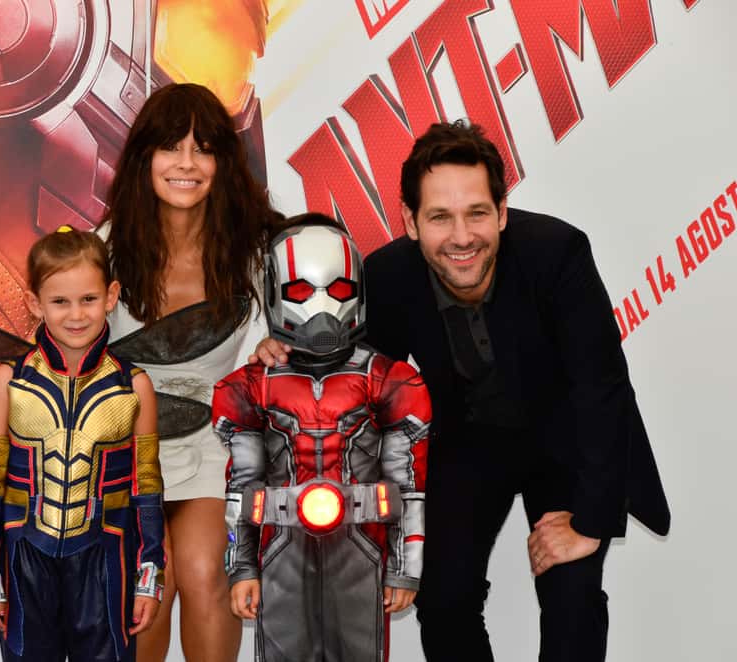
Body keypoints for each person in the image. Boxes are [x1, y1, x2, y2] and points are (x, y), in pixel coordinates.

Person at [254, 122, 670, 661]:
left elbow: (602, 390)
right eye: (439, 217)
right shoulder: (387, 275)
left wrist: (590, 525)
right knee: (445, 600)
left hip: (566, 438)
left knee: (571, 595)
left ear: (502, 211)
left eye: (477, 212)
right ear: (409, 221)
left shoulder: (558, 253)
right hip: (467, 443)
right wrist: (285, 351)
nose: (461, 236)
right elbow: (348, 374)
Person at [98, 82, 283, 662]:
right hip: (127, 438)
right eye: (169, 148)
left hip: (213, 435)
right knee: (150, 580)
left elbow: (310, 336)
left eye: (202, 149)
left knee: (206, 571)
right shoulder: (102, 250)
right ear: (143, 159)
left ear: (223, 163)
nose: (185, 164)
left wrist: (276, 353)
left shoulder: (257, 249)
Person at [214, 218, 431, 661]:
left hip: (362, 547)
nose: (319, 306)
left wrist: (404, 571)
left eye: (336, 290)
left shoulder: (391, 380)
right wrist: (241, 568)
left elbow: (407, 483)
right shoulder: (250, 385)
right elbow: (241, 486)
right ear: (276, 290)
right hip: (280, 548)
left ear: (357, 289)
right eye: (299, 291)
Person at [0, 228, 164, 661]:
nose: (76, 314)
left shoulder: (134, 386)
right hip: (25, 561)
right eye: (60, 301)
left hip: (107, 561)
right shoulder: (8, 381)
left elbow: (147, 489)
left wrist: (149, 576)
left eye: (88, 299)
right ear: (34, 303)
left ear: (112, 296)